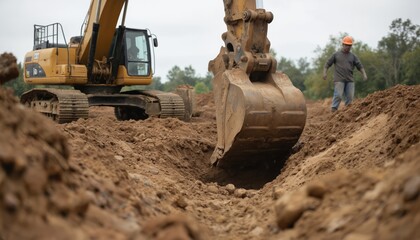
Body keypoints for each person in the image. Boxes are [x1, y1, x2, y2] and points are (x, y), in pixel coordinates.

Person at [323, 36, 367, 112]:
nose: (348, 47)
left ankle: (347, 112)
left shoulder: (353, 56)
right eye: (346, 45)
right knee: (339, 95)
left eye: (349, 45)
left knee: (350, 97)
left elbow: (359, 66)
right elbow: (327, 64)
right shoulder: (336, 55)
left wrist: (364, 74)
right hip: (339, 79)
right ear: (343, 44)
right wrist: (324, 73)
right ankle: (334, 109)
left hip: (350, 80)